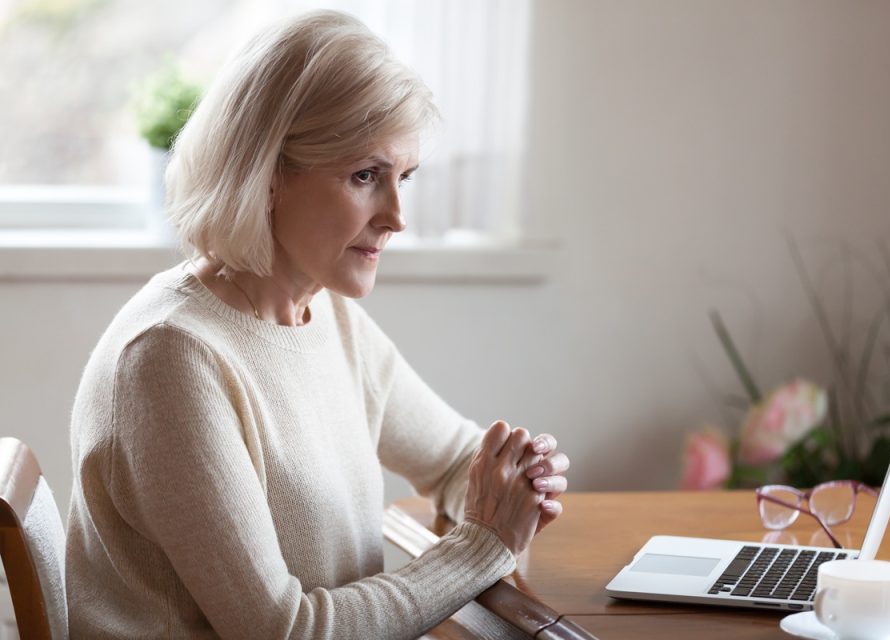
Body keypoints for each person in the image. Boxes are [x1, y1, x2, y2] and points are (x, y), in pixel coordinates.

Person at [65, 9, 569, 639]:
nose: (396, 217)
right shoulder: (170, 359)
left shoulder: (324, 315)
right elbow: (284, 632)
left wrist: (521, 477)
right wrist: (480, 545)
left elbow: (455, 461)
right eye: (366, 176)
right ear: (268, 175)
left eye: (403, 177)